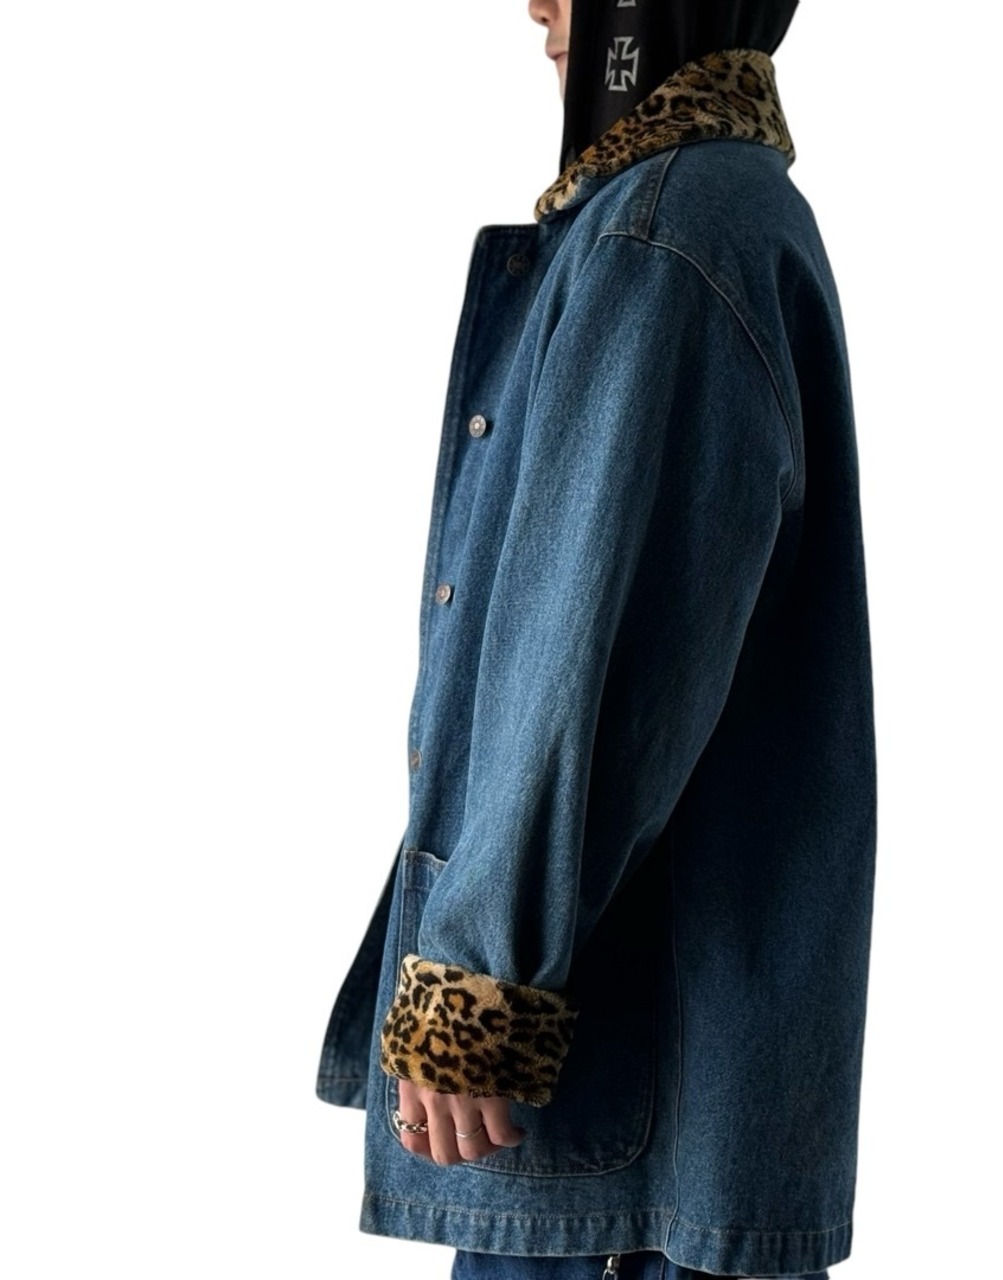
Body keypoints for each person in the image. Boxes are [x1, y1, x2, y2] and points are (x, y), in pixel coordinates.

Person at [316, 3, 878, 1279]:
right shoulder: (694, 214)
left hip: (612, 1134)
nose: (535, 5)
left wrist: (476, 986)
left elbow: (587, 658)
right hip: (655, 1118)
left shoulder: (664, 232)